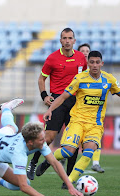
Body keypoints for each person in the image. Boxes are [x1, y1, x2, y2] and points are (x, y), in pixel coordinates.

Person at [39, 51, 120, 186]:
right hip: (77, 120)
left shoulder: (109, 80)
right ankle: (48, 161)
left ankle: (69, 182)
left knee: (88, 152)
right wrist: (50, 110)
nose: (95, 65)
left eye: (97, 62)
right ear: (88, 64)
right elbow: (63, 96)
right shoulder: (79, 79)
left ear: (102, 64)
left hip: (95, 124)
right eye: (92, 62)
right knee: (68, 151)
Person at [0, 98, 84, 196]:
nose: (44, 141)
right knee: (24, 183)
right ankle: (2, 181)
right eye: (41, 139)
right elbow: (24, 187)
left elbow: (55, 163)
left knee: (13, 127)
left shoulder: (32, 139)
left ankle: (6, 108)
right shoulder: (19, 154)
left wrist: (70, 186)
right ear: (30, 142)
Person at [27, 28, 87, 181]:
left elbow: (86, 78)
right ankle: (33, 163)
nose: (67, 41)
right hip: (57, 100)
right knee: (48, 137)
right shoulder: (52, 58)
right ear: (60, 41)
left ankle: (68, 179)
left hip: (75, 102)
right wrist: (44, 96)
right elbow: (41, 79)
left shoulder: (81, 58)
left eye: (70, 38)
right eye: (64, 38)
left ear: (74, 40)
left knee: (74, 141)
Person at [78, 43, 105, 173]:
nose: (85, 52)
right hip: (77, 105)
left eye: (87, 51)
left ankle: (95, 162)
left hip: (92, 110)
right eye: (82, 51)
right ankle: (64, 155)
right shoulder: (78, 70)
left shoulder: (94, 70)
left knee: (95, 134)